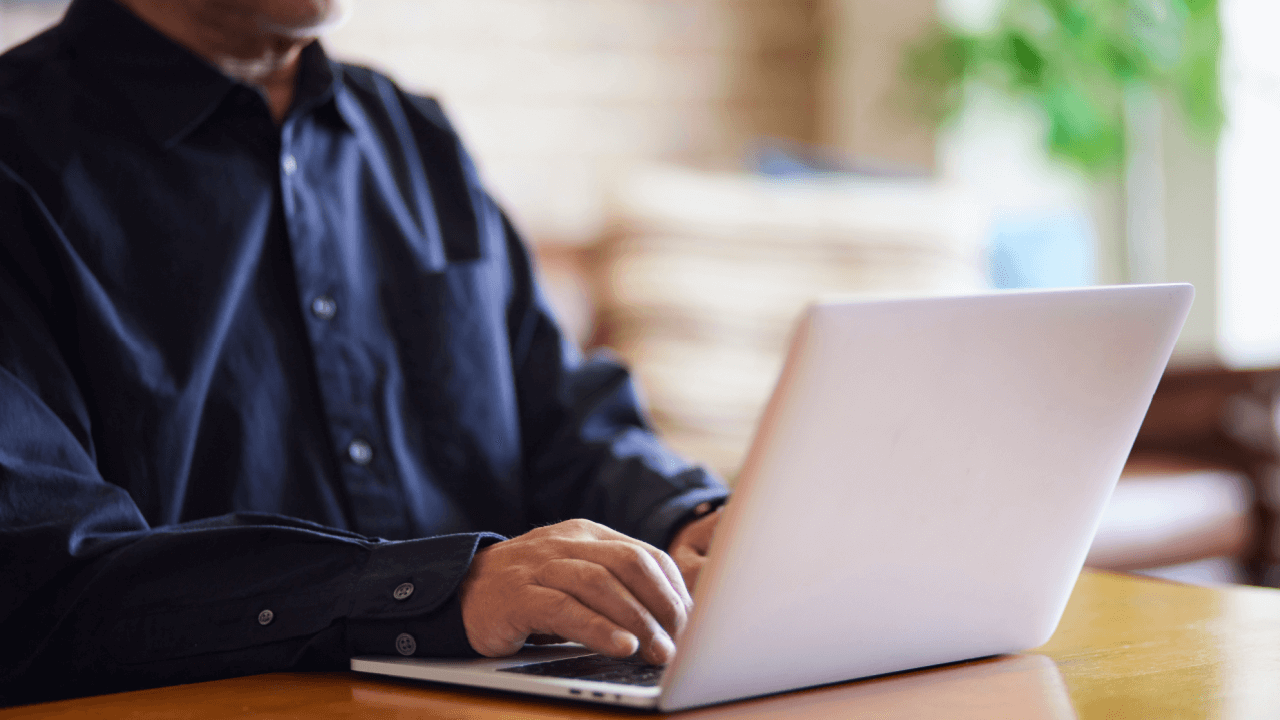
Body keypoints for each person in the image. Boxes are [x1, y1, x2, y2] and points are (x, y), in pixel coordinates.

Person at [0, 0, 728, 705]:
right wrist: (447, 588)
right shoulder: (17, 157)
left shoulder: (415, 135)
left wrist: (689, 518)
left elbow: (563, 422)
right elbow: (40, 573)